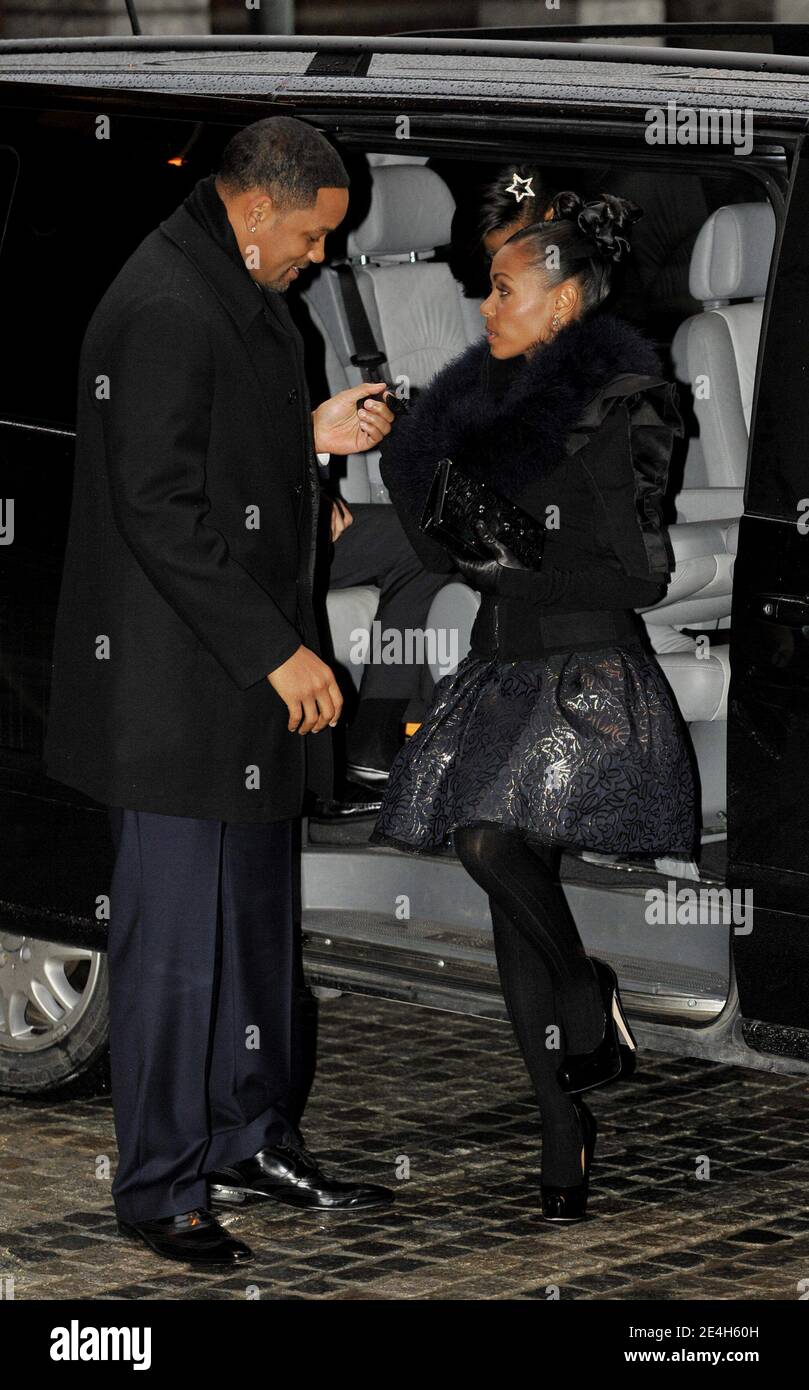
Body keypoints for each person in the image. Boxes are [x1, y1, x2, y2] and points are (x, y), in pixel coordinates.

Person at [43, 116, 399, 1267]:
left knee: (252, 943)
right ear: (255, 211)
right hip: (178, 695)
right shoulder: (161, 304)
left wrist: (306, 463)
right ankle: (158, 1187)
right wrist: (277, 652)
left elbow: (216, 451)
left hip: (238, 691)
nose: (319, 258)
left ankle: (249, 1136)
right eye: (311, 235)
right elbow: (159, 508)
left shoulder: (240, 289)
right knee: (176, 955)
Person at [370, 188, 699, 1223]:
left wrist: (518, 569)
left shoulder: (622, 402)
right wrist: (407, 461)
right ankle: (561, 1125)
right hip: (498, 666)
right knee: (508, 890)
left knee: (486, 843)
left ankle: (582, 989)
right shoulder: (467, 410)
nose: (483, 306)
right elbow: (440, 550)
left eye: (503, 288)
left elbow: (637, 577)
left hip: (586, 672)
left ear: (560, 302)